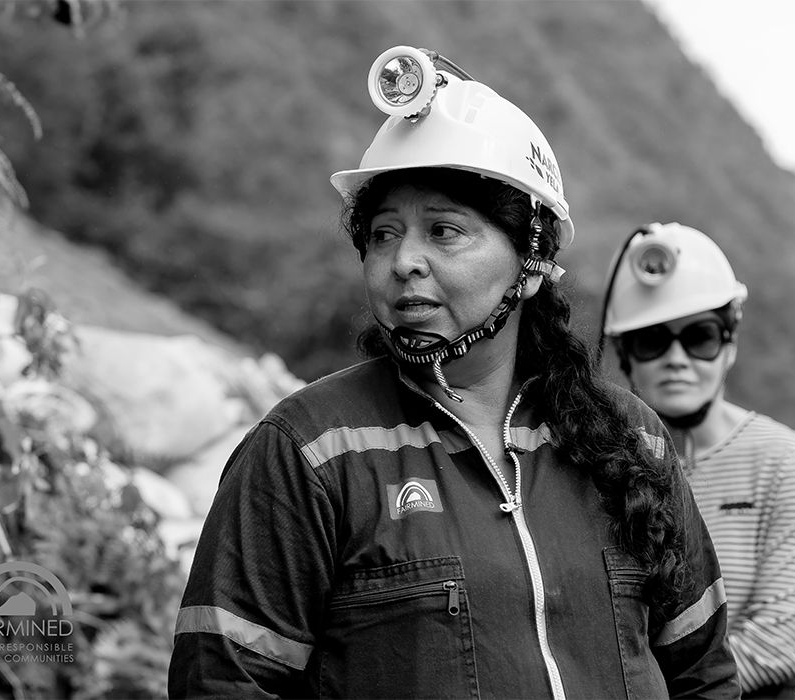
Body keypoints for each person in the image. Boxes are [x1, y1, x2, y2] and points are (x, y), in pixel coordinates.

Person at [169, 47, 739, 699]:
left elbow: (705, 672)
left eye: (444, 232)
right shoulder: (310, 453)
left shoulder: (630, 441)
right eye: (382, 235)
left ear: (531, 260)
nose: (404, 260)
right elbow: (223, 684)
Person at [598, 222, 795, 698]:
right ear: (625, 355)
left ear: (730, 345)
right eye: (653, 340)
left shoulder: (783, 460)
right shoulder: (597, 459)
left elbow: (775, 644)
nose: (677, 358)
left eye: (699, 337)